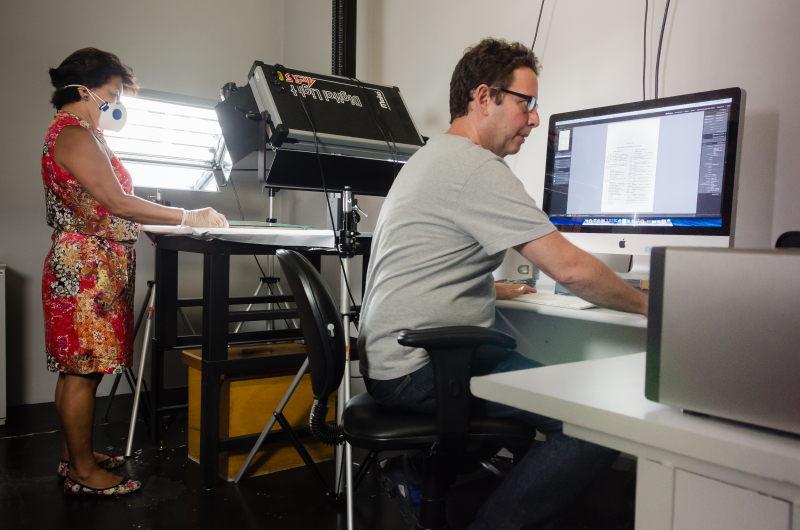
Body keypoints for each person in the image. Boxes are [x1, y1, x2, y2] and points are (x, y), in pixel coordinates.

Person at [357, 38, 648, 530]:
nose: (534, 119)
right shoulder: (474, 168)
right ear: (484, 98)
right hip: (420, 367)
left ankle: (423, 479)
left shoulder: (431, 157)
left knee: (540, 389)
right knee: (599, 418)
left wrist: (488, 289)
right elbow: (571, 270)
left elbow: (414, 267)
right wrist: (648, 305)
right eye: (525, 103)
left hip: (393, 357)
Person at [43, 48, 228, 496]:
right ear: (86, 90)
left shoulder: (83, 133)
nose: (116, 102)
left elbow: (105, 207)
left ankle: (75, 456)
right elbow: (117, 202)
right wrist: (188, 215)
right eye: (112, 93)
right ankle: (83, 474)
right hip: (86, 270)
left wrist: (143, 224)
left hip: (94, 265)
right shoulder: (74, 134)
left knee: (79, 369)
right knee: (82, 370)